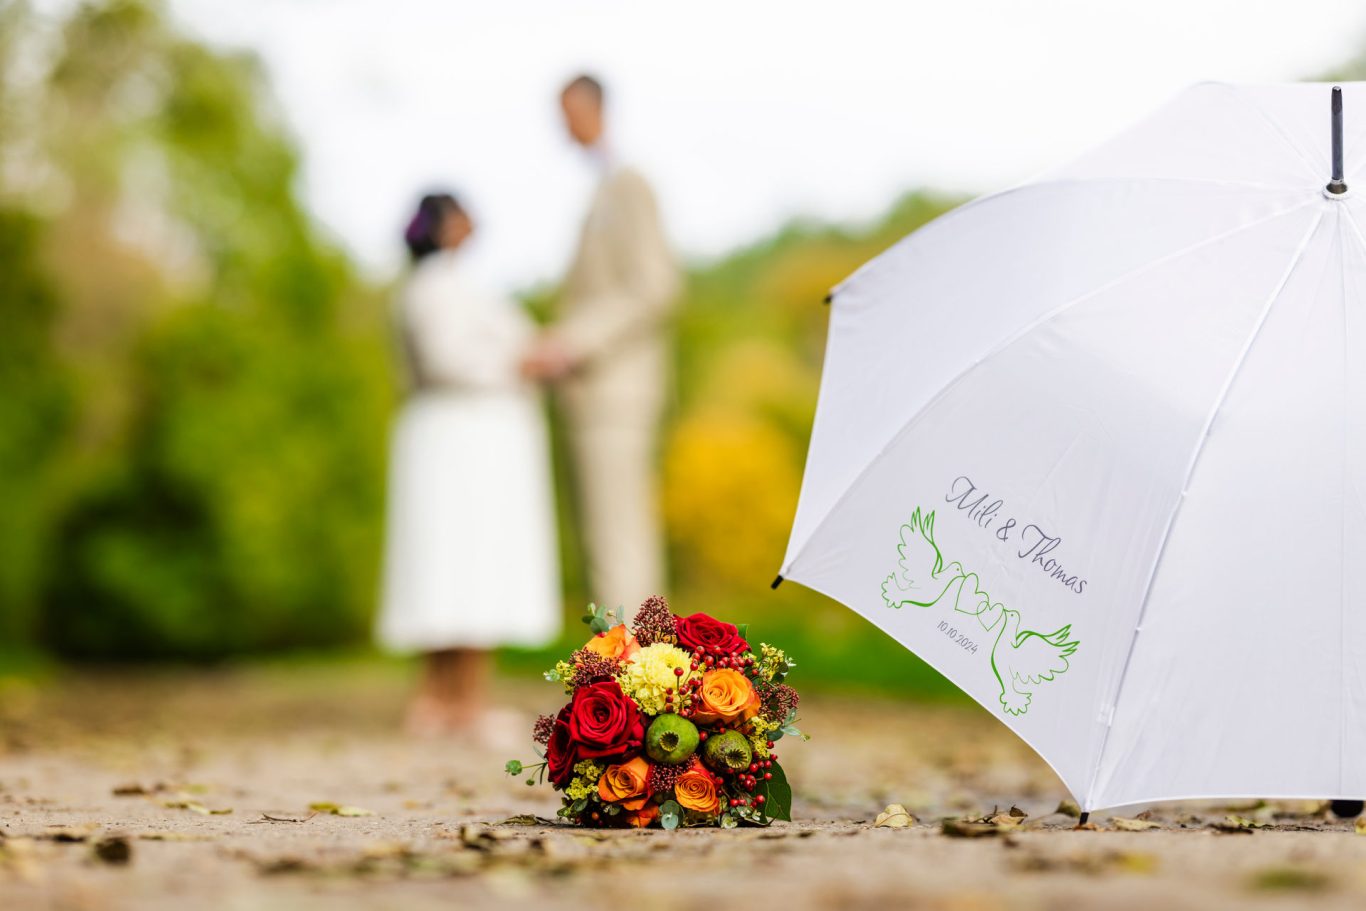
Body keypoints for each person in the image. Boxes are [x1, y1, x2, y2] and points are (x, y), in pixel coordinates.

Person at [378, 192, 561, 738]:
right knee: (464, 561)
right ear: (445, 225)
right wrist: (519, 362)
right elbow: (446, 360)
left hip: (471, 439)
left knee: (464, 563)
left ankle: (454, 700)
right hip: (463, 442)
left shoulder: (451, 285)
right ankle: (451, 701)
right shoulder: (433, 287)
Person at [523, 74, 681, 618]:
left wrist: (572, 342)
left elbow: (654, 285)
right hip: (594, 396)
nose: (562, 126)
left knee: (620, 538)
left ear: (593, 107)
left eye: (567, 112)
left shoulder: (627, 185)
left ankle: (632, 677)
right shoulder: (601, 191)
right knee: (608, 536)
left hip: (617, 390)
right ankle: (625, 677)